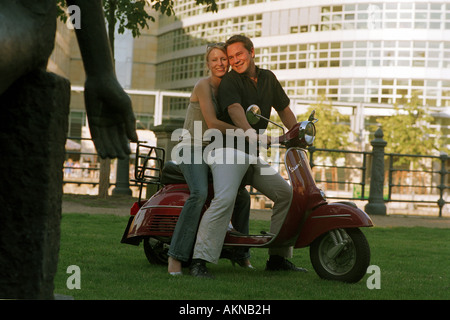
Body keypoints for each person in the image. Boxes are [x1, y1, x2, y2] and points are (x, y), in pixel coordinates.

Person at [216, 34, 308, 272]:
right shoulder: (230, 82)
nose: (235, 60)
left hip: (252, 156)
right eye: (231, 57)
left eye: (239, 54)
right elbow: (235, 110)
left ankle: (277, 259)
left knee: (286, 195)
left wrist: (297, 134)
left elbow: (284, 109)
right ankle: (200, 256)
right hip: (228, 154)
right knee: (223, 202)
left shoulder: (267, 78)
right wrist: (250, 133)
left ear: (252, 52)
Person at [168, 43, 253, 277]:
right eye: (214, 60)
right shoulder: (202, 86)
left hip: (212, 151)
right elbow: (213, 123)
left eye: (224, 59)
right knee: (200, 193)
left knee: (242, 195)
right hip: (190, 148)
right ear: (208, 64)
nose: (220, 63)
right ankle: (175, 257)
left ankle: (240, 254)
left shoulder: (227, 88)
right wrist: (245, 131)